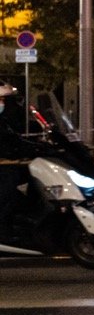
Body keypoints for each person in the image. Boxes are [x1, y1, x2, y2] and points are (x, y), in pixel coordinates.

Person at [0, 83, 39, 237]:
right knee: (8, 187)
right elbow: (5, 145)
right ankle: (3, 229)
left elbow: (13, 138)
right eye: (2, 99)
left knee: (32, 175)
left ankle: (29, 216)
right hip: (3, 166)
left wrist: (36, 145)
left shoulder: (4, 120)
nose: (4, 103)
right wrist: (25, 149)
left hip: (6, 163)